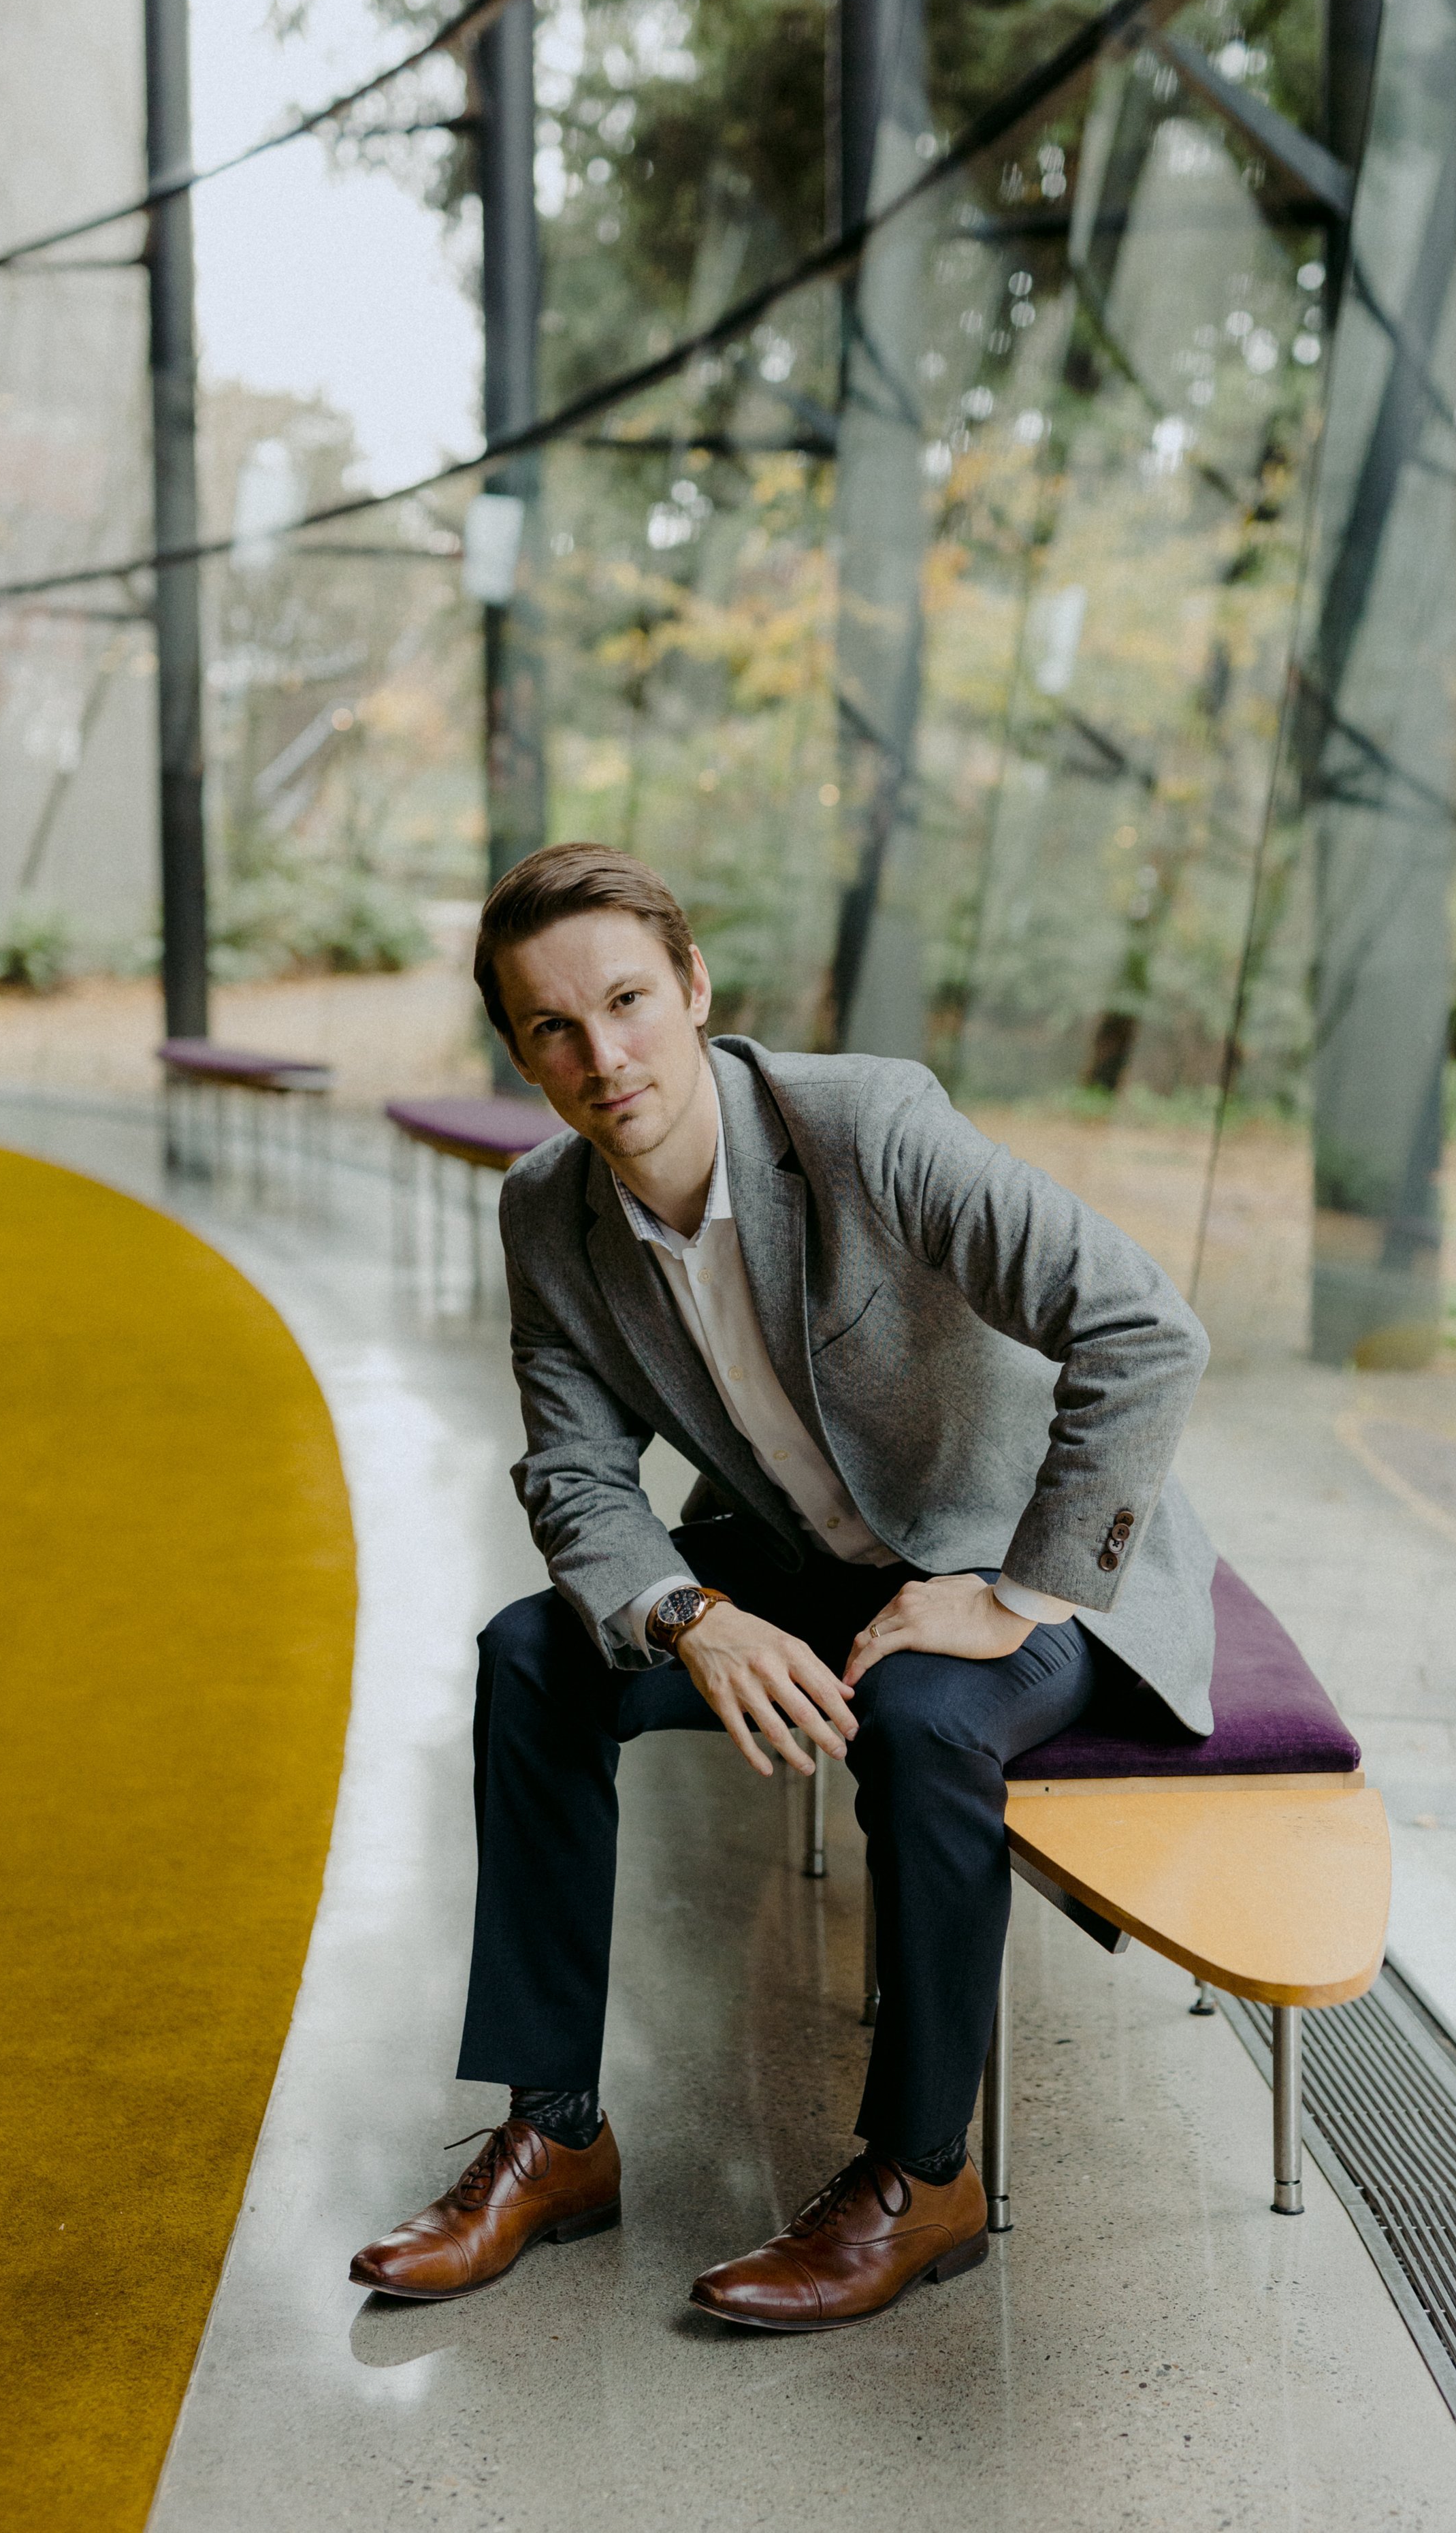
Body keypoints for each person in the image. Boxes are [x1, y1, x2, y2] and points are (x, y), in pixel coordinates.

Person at [349, 841, 1215, 2332]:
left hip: (1017, 1557)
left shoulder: (866, 1126)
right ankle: (556, 2134)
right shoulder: (547, 1209)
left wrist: (1014, 1595)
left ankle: (922, 2176)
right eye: (555, 1026)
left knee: (925, 1717)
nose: (603, 1056)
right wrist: (690, 1615)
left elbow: (1144, 1329)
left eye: (628, 1000)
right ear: (522, 1052)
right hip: (799, 1556)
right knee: (533, 1657)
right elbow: (575, 1476)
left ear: (693, 986)